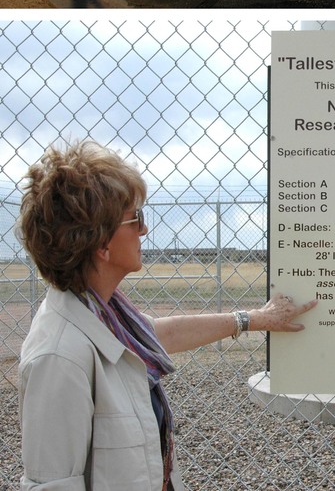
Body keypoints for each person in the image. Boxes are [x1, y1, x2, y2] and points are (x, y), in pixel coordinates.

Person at [17, 139, 317, 491]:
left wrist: (255, 319)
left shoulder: (104, 314)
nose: (144, 230)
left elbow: (161, 334)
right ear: (101, 244)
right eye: (135, 219)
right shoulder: (59, 357)